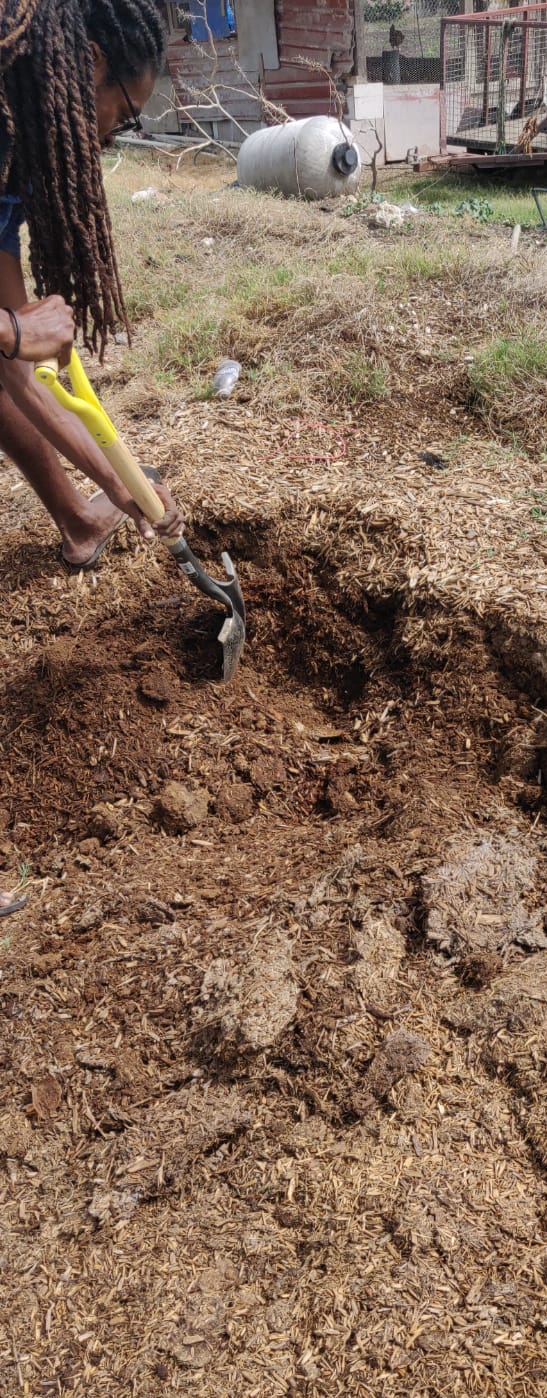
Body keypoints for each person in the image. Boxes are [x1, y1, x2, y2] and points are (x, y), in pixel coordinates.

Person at [0, 0, 185, 916]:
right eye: (129, 110)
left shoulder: (15, 137)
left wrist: (125, 486)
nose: (116, 136)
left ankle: (84, 520)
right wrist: (9, 328)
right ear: (94, 66)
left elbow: (15, 375)